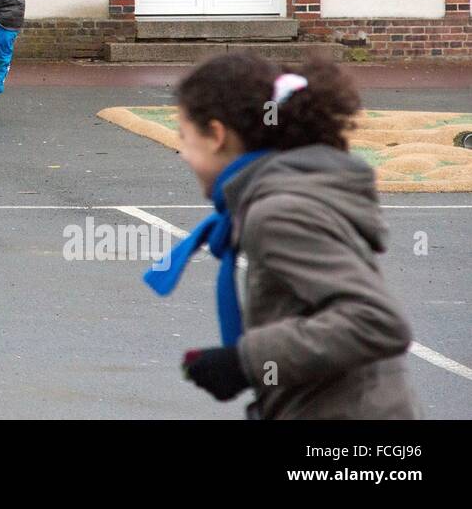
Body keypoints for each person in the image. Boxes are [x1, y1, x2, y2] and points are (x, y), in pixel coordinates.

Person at [145, 51, 418, 419]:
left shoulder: (279, 211)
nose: (182, 154)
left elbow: (376, 321)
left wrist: (246, 361)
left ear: (216, 135)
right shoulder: (284, 192)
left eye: (185, 137)